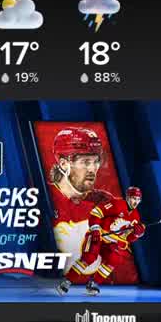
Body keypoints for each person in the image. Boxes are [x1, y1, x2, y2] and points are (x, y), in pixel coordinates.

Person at [50, 127, 114, 296]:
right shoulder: (44, 198)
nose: (93, 168)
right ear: (63, 163)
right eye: (85, 162)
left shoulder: (104, 201)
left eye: (96, 161)